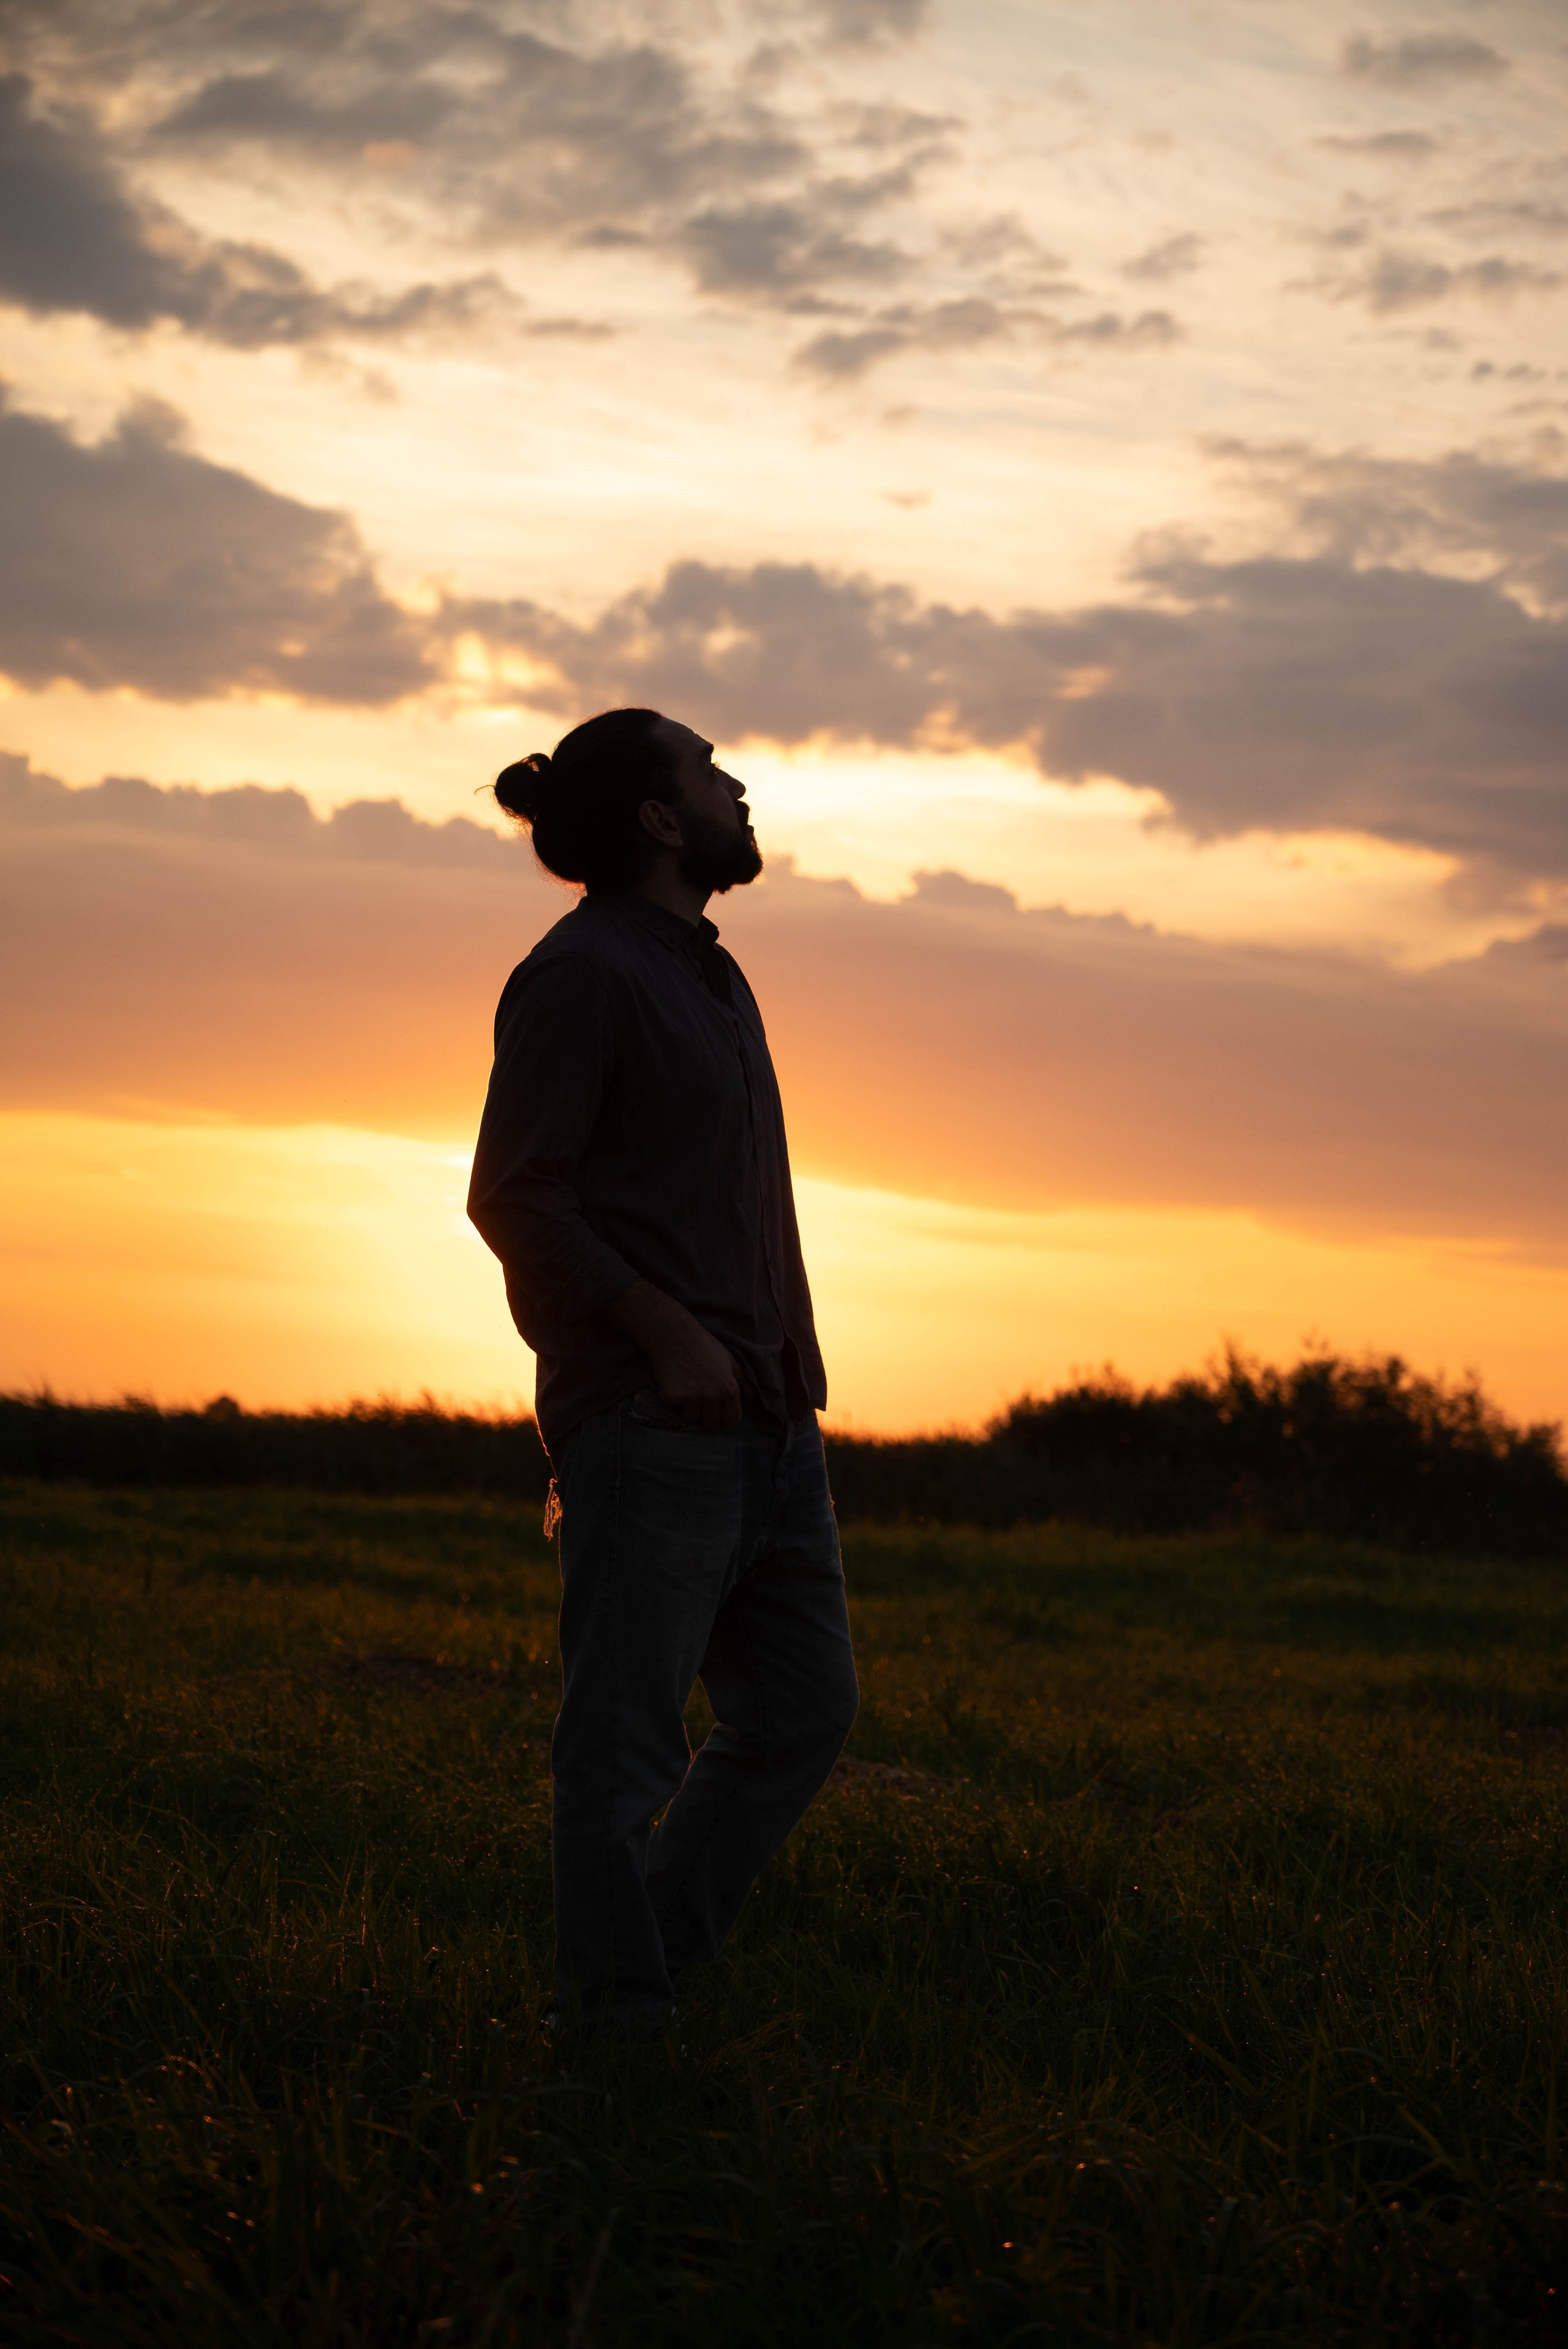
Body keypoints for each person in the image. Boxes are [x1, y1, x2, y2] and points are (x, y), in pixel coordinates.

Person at [468, 706, 859, 2034]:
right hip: (649, 1422)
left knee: (803, 1710)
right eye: (706, 770)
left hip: (768, 1419)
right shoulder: (580, 973)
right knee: (621, 1752)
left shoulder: (712, 973)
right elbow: (516, 1196)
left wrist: (783, 1377)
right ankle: (615, 2027)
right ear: (655, 817)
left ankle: (653, 1972)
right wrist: (662, 1330)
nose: (734, 784)